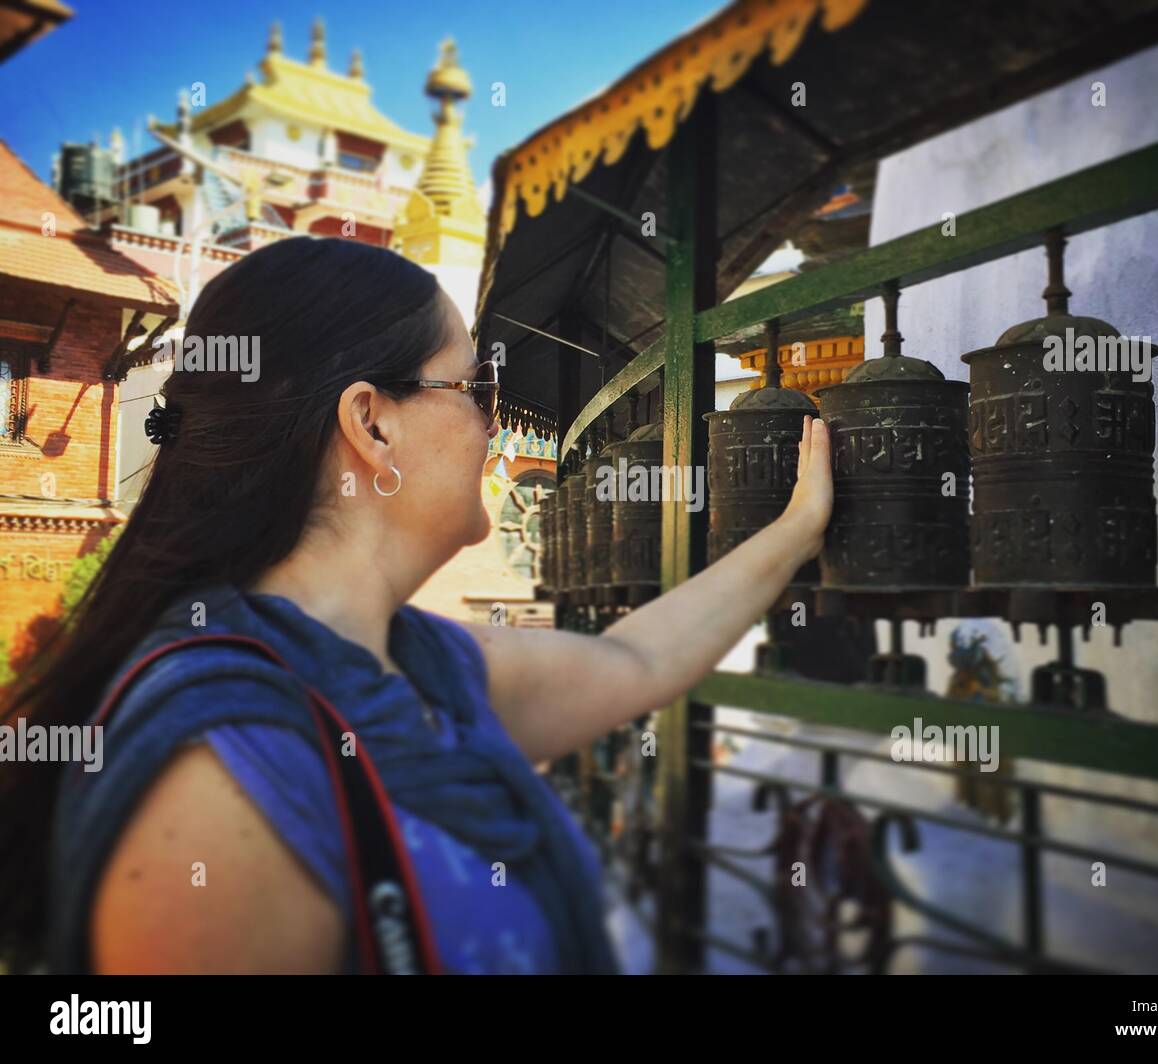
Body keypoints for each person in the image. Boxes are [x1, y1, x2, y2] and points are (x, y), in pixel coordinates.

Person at [0, 236, 832, 974]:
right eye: (478, 390)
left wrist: (797, 529)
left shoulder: (428, 667)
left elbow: (640, 660)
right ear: (373, 424)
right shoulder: (223, 773)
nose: (491, 430)